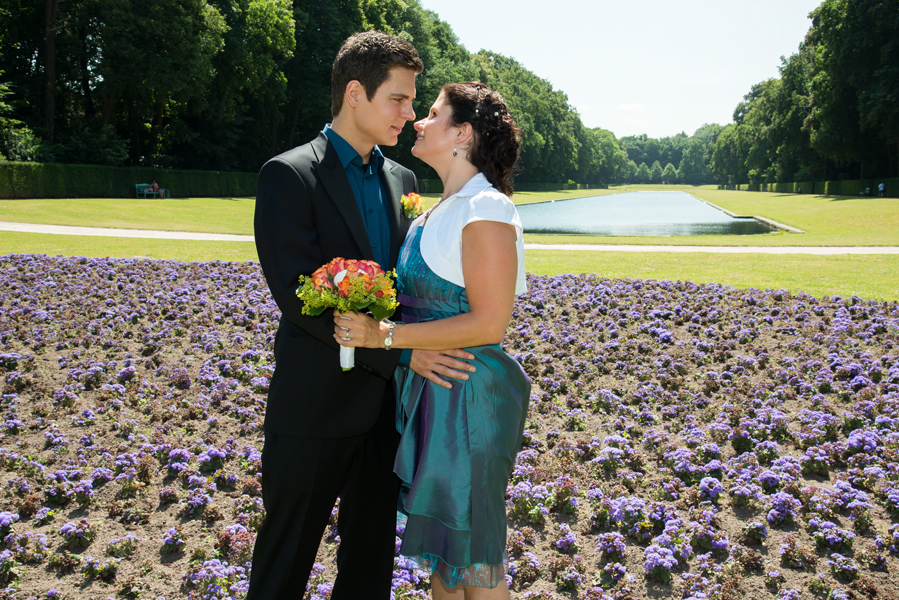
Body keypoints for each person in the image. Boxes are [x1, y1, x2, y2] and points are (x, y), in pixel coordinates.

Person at [249, 32, 476, 600]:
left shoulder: (404, 181)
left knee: (371, 572)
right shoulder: (289, 175)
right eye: (398, 99)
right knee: (283, 569)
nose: (409, 114)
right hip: (313, 409)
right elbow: (299, 300)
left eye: (412, 101)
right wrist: (404, 349)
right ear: (355, 92)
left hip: (385, 414)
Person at [334, 82, 531, 599]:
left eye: (433, 113)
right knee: (446, 560)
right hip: (432, 396)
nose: (418, 121)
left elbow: (490, 323)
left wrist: (387, 337)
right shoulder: (432, 213)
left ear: (462, 134)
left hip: (468, 398)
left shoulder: (485, 208)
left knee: (475, 561)